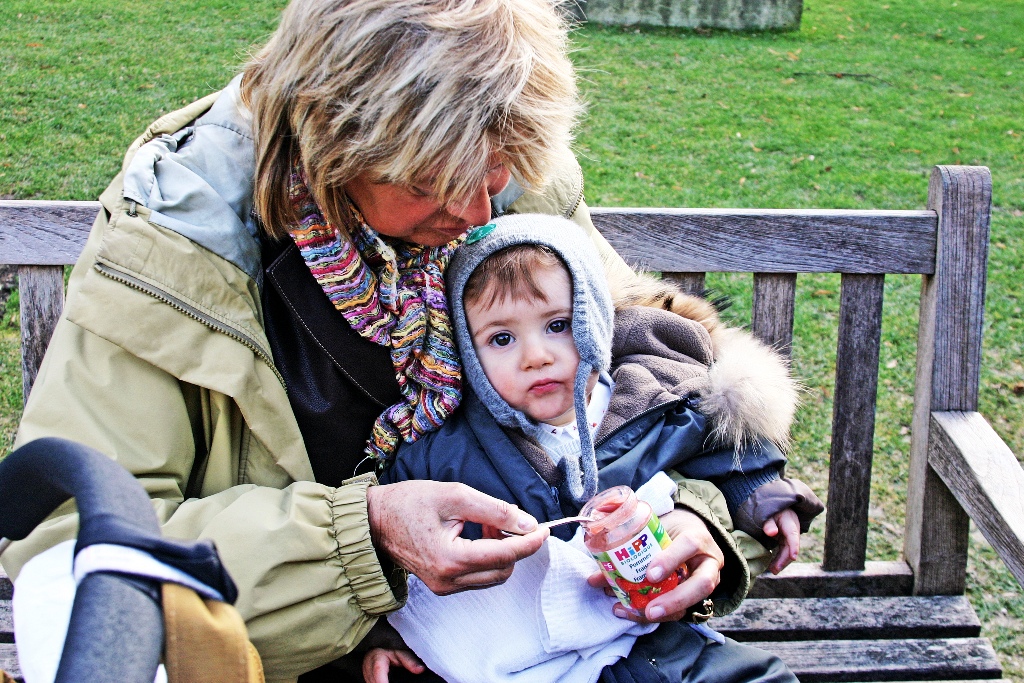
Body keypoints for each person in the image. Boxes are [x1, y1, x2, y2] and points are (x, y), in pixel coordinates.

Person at [0, 0, 799, 681]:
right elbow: (77, 558)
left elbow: (654, 391)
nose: (482, 212)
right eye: (432, 179)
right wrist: (366, 538)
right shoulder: (177, 245)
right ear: (332, 141)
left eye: (498, 172)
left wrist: (702, 523)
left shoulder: (508, 173)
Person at [378, 214, 823, 682]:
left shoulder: (652, 398)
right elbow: (396, 548)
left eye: (558, 325)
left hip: (654, 637)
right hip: (532, 663)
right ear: (467, 352)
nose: (536, 356)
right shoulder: (447, 450)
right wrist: (384, 635)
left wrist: (761, 494)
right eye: (502, 338)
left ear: (596, 317)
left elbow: (722, 445)